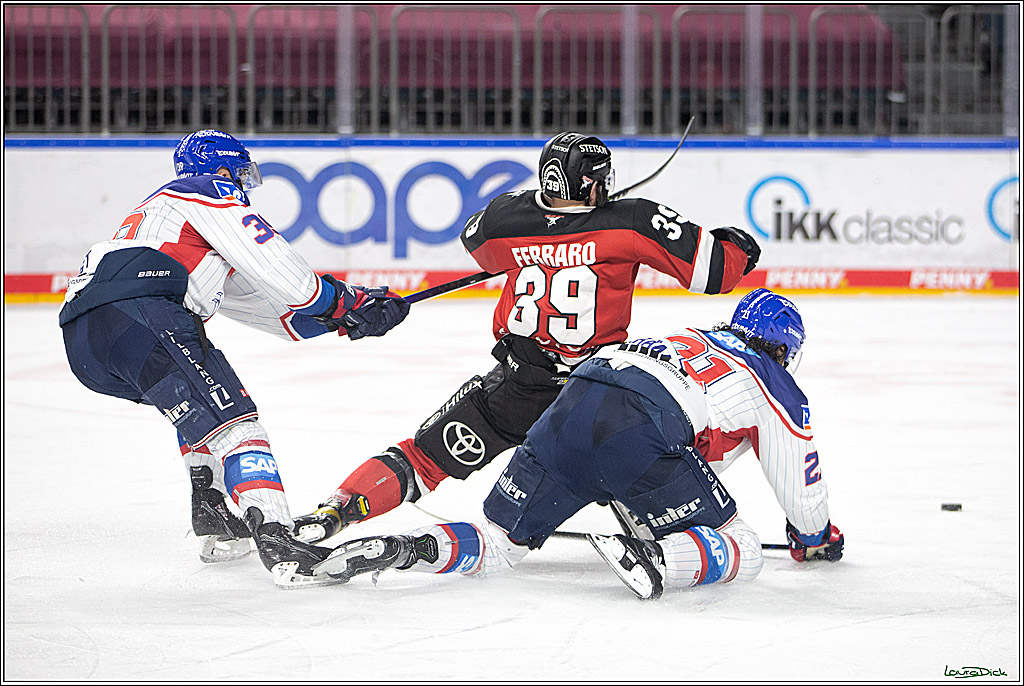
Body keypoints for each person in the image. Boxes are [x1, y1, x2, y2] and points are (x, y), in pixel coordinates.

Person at [293, 131, 762, 545]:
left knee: (423, 457)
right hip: (594, 398)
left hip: (515, 387)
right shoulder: (632, 221)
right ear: (593, 183)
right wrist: (737, 243)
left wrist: (544, 231)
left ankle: (335, 510)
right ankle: (675, 531)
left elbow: (477, 243)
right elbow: (717, 272)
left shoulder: (505, 219)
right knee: (656, 440)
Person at [308, 288, 843, 599]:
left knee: (500, 542)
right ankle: (659, 559)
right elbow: (800, 478)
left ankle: (408, 550)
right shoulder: (774, 381)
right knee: (744, 550)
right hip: (642, 426)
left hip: (571, 402)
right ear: (785, 350)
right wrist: (812, 535)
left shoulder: (684, 335)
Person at [58, 129, 410, 588]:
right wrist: (346, 301)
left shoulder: (169, 225)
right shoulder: (205, 189)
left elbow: (276, 311)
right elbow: (281, 268)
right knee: (235, 422)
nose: (242, 186)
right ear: (222, 168)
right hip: (141, 314)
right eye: (240, 174)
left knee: (199, 413)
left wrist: (343, 319)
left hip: (88, 338)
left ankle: (216, 518)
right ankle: (282, 544)